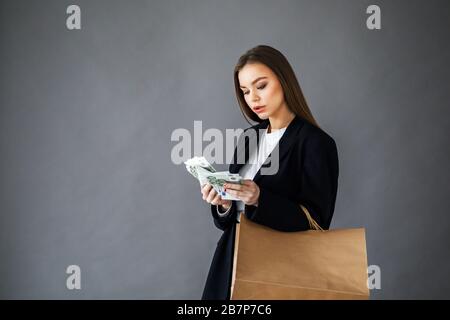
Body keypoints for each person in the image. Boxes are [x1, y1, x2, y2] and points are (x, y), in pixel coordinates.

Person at [200, 45, 339, 300]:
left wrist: (259, 198)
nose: (252, 99)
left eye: (260, 86)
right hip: (230, 261)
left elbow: (317, 224)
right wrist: (223, 202)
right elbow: (226, 222)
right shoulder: (248, 138)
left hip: (279, 270)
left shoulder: (315, 143)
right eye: (245, 91)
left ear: (284, 81)